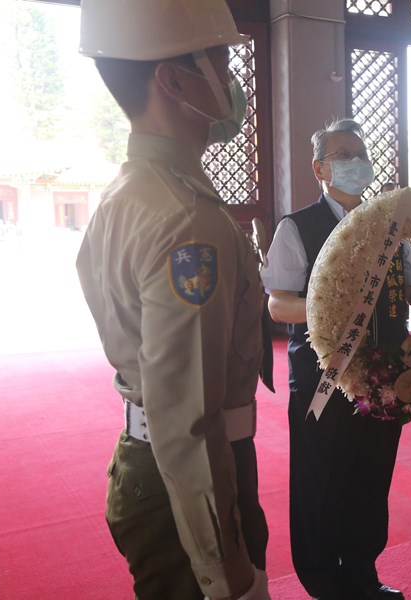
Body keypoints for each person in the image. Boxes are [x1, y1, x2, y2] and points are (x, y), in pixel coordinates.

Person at [75, 1, 270, 598]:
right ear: (175, 78)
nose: (231, 76)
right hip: (187, 477)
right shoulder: (187, 220)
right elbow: (187, 420)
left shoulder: (128, 192)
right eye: (219, 57)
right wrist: (225, 569)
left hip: (148, 462)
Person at [263, 118, 411, 600]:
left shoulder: (391, 225)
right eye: (342, 155)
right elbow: (277, 302)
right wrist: (329, 311)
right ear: (319, 168)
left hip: (387, 377)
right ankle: (324, 584)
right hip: (323, 381)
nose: (355, 164)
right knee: (320, 480)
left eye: (360, 154)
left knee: (371, 479)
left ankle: (362, 576)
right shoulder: (298, 228)